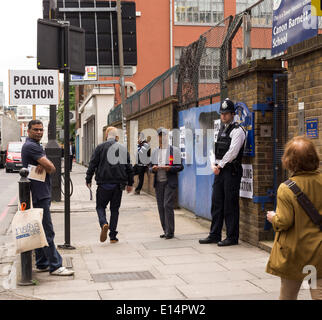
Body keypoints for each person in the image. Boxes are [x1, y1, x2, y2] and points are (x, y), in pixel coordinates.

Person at [266, 136, 322, 300]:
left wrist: (273, 218)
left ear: (289, 162)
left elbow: (284, 221)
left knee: (288, 294)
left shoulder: (286, 188)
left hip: (294, 253)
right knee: (318, 291)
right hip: (319, 251)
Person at [21, 119, 74, 276]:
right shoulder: (31, 146)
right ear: (28, 131)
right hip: (38, 193)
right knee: (47, 230)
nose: (39, 132)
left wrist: (43, 163)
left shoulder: (36, 146)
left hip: (40, 191)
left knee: (40, 229)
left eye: (41, 130)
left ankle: (42, 262)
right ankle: (55, 266)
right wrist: (45, 164)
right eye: (35, 130)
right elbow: (51, 167)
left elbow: (45, 165)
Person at [199, 98, 246, 246]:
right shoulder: (220, 130)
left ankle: (232, 237)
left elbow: (233, 152)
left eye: (226, 113)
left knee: (230, 205)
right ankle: (214, 234)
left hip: (231, 171)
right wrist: (214, 164)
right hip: (219, 170)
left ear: (233, 114)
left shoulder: (238, 131)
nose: (223, 116)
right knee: (216, 203)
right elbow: (213, 149)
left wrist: (220, 166)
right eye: (222, 113)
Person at [85, 127, 134, 243]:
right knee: (115, 209)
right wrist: (130, 183)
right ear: (117, 137)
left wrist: (88, 178)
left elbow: (92, 164)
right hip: (118, 185)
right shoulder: (122, 148)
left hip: (103, 184)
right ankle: (113, 236)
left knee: (100, 207)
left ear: (106, 136)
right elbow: (129, 167)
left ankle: (103, 223)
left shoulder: (100, 148)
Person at [150, 127, 184, 239]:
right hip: (159, 183)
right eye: (160, 135)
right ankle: (166, 230)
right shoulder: (154, 151)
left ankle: (170, 232)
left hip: (170, 182)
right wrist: (153, 169)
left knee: (167, 205)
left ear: (167, 136)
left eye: (164, 135)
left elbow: (180, 167)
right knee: (161, 207)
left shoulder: (174, 151)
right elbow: (149, 167)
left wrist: (169, 168)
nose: (162, 137)